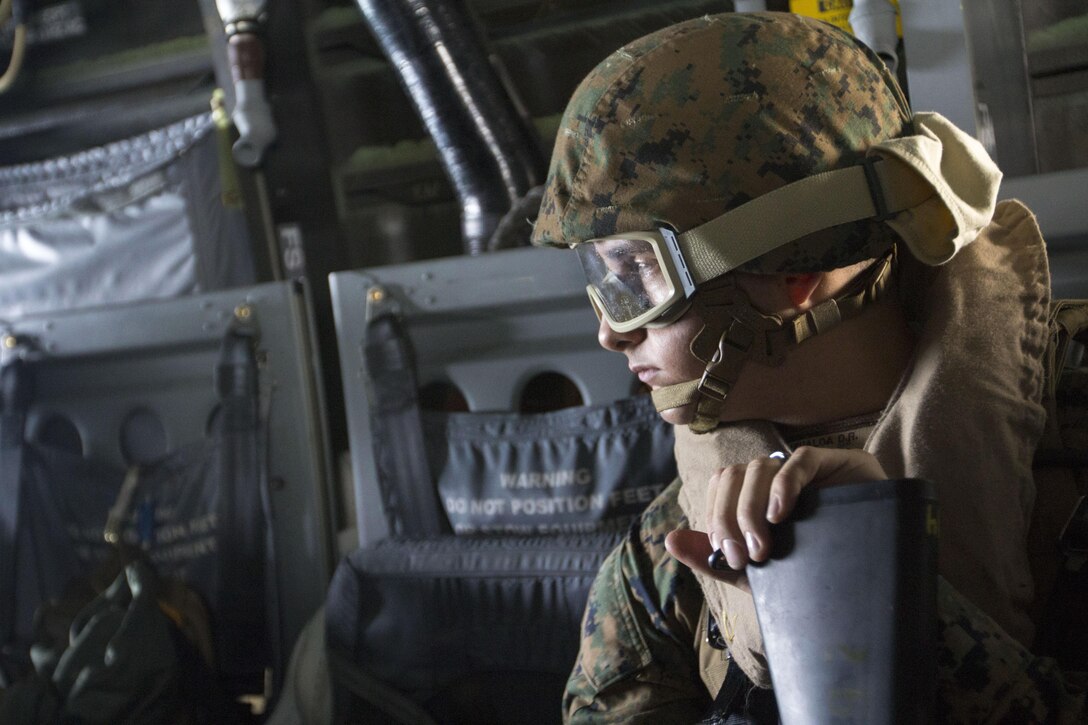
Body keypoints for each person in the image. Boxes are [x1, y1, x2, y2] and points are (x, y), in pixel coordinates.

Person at [530, 11, 1087, 722]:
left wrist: (882, 573)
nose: (610, 331)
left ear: (793, 270)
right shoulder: (677, 549)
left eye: (637, 275)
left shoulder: (1071, 434)